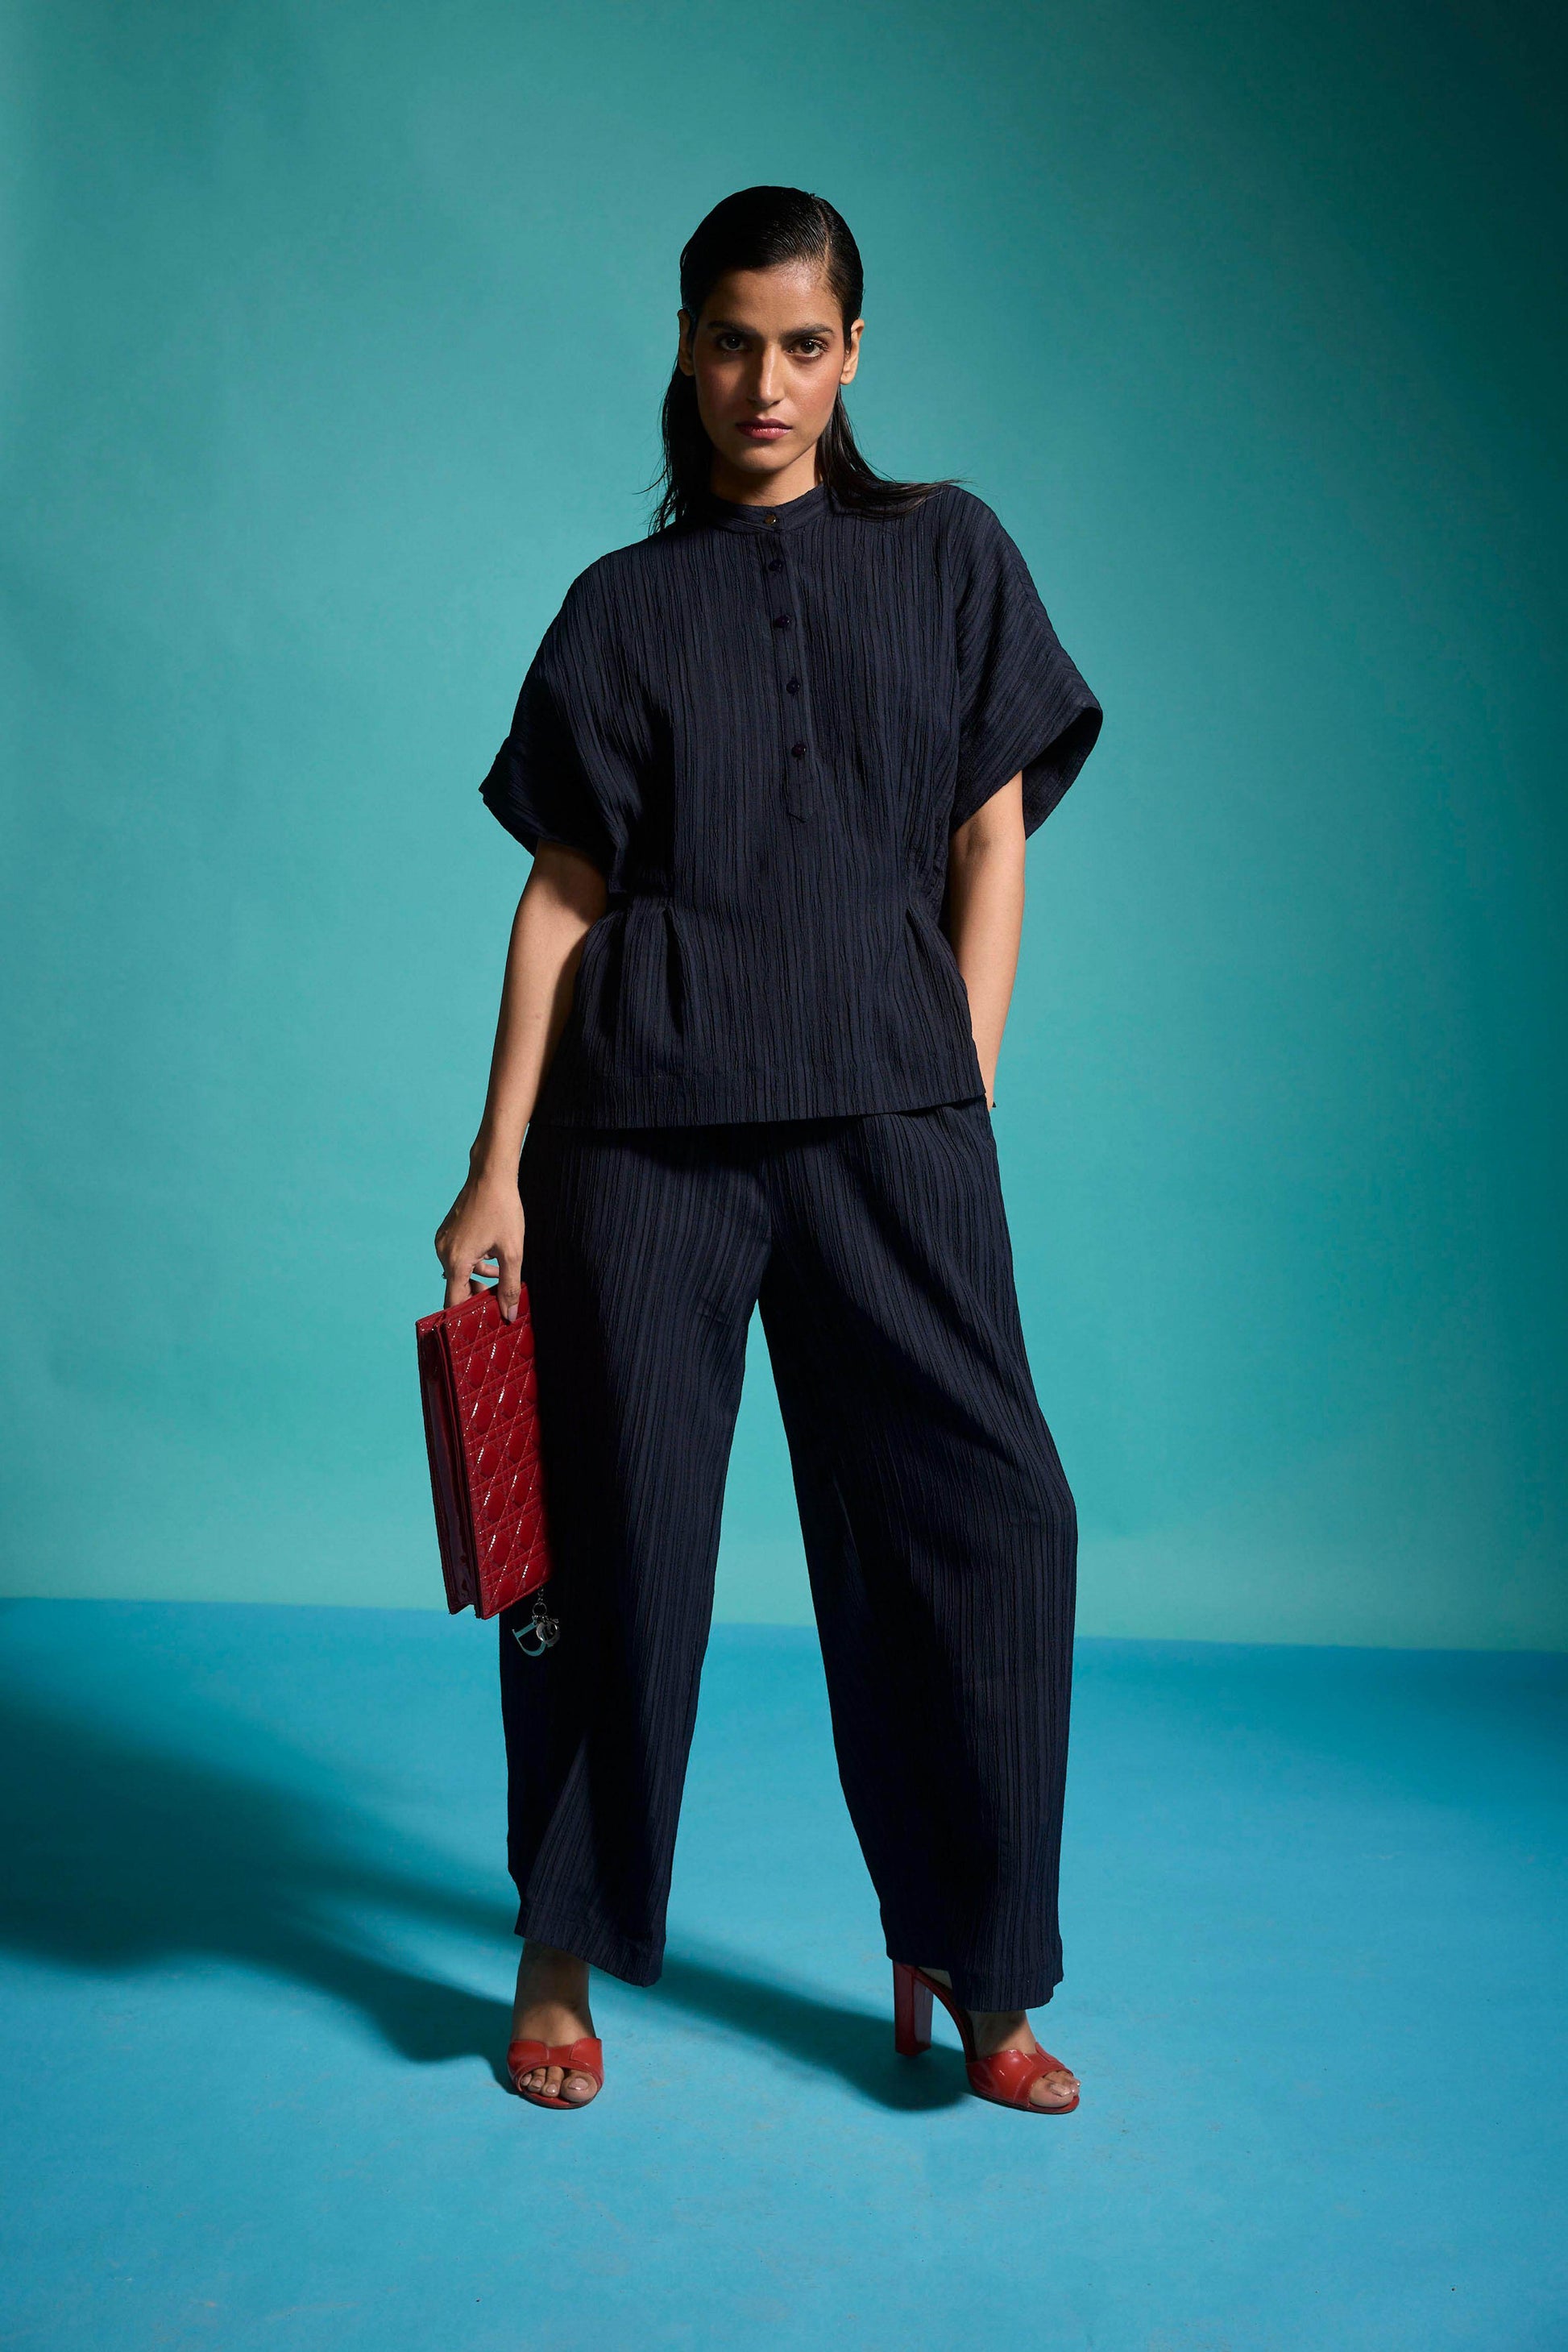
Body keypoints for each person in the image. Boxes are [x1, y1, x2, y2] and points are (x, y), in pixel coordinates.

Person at [434, 185, 1102, 2116]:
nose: (766, 383)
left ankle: (973, 1956)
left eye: (804, 345)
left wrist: (958, 1080)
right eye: (732, 341)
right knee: (609, 1539)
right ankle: (559, 1946)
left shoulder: (948, 550)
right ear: (685, 342)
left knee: (987, 1525)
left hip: (890, 1122)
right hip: (640, 1138)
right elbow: (564, 896)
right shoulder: (618, 607)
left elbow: (990, 831)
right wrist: (493, 1163)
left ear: (853, 352)